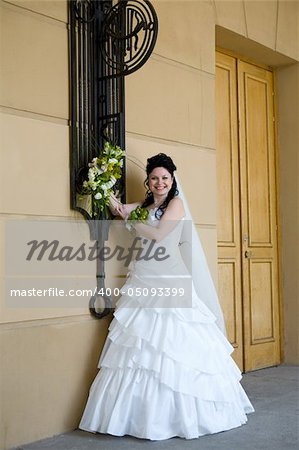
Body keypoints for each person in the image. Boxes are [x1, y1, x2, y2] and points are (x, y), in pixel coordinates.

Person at [79, 153, 254, 440]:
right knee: (141, 343)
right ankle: (135, 416)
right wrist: (102, 186)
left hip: (169, 276)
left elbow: (159, 234)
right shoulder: (146, 204)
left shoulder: (176, 204)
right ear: (148, 182)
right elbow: (121, 209)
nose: (159, 182)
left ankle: (181, 415)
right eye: (154, 178)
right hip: (144, 275)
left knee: (173, 341)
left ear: (172, 180)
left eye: (165, 178)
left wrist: (130, 219)